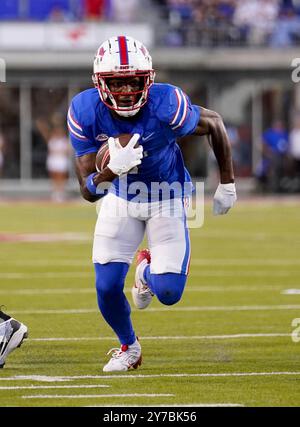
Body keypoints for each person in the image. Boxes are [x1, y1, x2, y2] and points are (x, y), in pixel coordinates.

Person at [67, 35, 237, 372]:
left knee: (170, 293)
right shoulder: (85, 110)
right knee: (106, 286)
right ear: (99, 83)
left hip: (168, 197)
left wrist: (228, 182)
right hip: (120, 199)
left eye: (134, 81)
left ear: (150, 79)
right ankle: (129, 347)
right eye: (118, 82)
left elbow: (214, 122)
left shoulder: (166, 103)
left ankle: (145, 271)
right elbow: (88, 192)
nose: (127, 90)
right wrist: (111, 172)